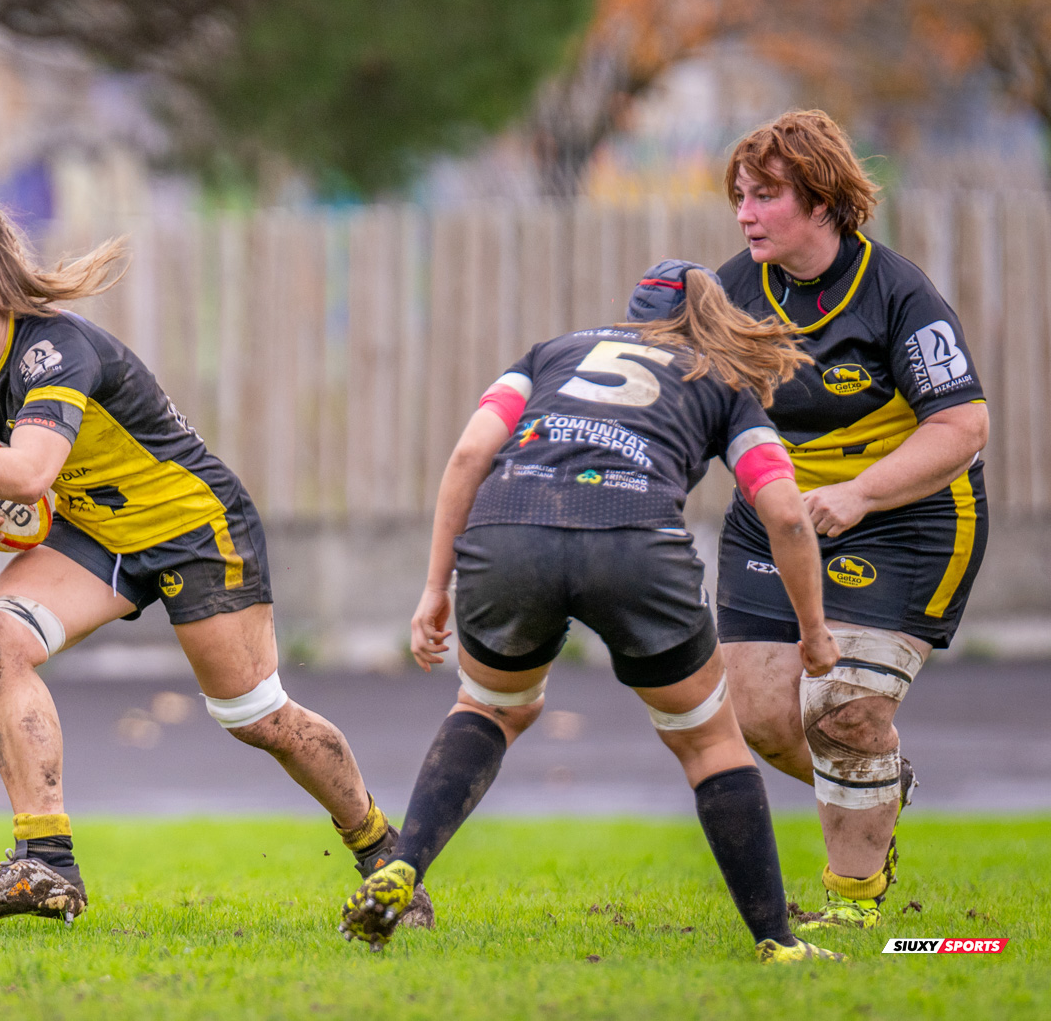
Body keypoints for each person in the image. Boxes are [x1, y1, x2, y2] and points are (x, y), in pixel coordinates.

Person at [0, 198, 429, 929]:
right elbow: (19, 507)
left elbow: (31, 472)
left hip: (194, 526)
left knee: (257, 717)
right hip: (99, 535)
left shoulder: (53, 349)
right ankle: (46, 860)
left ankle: (379, 848)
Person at [339, 262, 846, 965]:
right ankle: (777, 941)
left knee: (490, 707)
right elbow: (786, 513)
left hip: (509, 526)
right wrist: (814, 632)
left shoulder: (552, 353)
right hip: (632, 538)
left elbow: (467, 456)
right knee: (709, 744)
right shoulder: (720, 378)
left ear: (632, 314)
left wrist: (435, 586)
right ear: (708, 319)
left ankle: (405, 864)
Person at [714, 110, 990, 930]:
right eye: (739, 195)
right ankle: (878, 780)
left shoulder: (897, 291)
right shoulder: (731, 291)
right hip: (775, 519)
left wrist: (862, 492)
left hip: (909, 518)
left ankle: (857, 905)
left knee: (844, 709)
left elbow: (963, 426)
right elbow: (690, 406)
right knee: (761, 716)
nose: (745, 213)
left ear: (823, 200)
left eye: (765, 195)